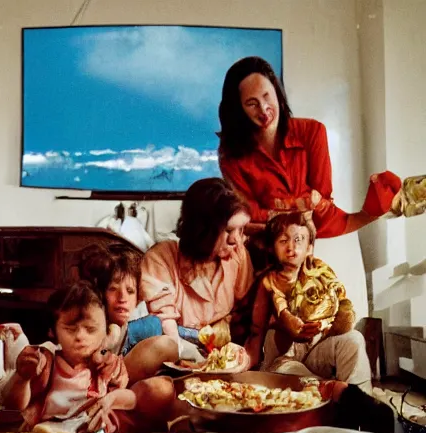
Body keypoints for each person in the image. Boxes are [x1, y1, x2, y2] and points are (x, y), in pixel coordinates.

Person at [218, 56, 402, 240]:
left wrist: (371, 211)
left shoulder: (312, 131)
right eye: (251, 103)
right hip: (266, 246)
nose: (263, 109)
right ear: (239, 109)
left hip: (319, 234)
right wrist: (300, 206)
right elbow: (249, 214)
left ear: (277, 91)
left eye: (267, 96)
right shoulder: (230, 154)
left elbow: (322, 201)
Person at [0, 282, 173, 433]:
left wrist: (114, 399)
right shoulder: (46, 364)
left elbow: (126, 398)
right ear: (53, 331)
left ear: (105, 331)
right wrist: (23, 379)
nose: (80, 337)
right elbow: (15, 407)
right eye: (70, 329)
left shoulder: (108, 364)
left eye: (90, 329)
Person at [139, 178, 256, 375]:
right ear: (204, 230)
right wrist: (189, 357)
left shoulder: (238, 255)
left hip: (224, 360)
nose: (236, 240)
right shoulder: (162, 257)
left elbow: (248, 314)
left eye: (241, 230)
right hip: (172, 360)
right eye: (228, 230)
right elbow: (164, 327)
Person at [249, 212, 372, 390]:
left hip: (318, 345)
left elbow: (340, 300)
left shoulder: (320, 269)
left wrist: (337, 321)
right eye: (283, 241)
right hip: (284, 356)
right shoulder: (269, 281)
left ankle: (358, 399)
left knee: (354, 340)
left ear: (309, 248)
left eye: (298, 240)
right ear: (271, 248)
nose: (291, 247)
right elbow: (257, 329)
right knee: (292, 376)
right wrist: (284, 324)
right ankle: (327, 392)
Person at [76, 244, 208, 381]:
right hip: (103, 380)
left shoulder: (139, 324)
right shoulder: (92, 324)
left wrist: (204, 338)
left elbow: (177, 332)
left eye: (130, 291)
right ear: (100, 293)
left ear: (138, 297)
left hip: (133, 380)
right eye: (113, 289)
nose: (122, 298)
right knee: (163, 343)